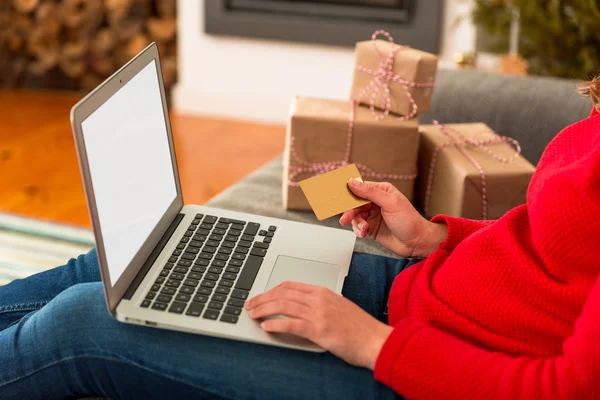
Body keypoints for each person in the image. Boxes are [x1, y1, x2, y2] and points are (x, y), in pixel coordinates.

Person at [1, 79, 599, 400]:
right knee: (129, 262)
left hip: (422, 376)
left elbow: (568, 390)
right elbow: (556, 251)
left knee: (82, 323)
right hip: (420, 295)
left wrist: (369, 343)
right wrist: (436, 239)